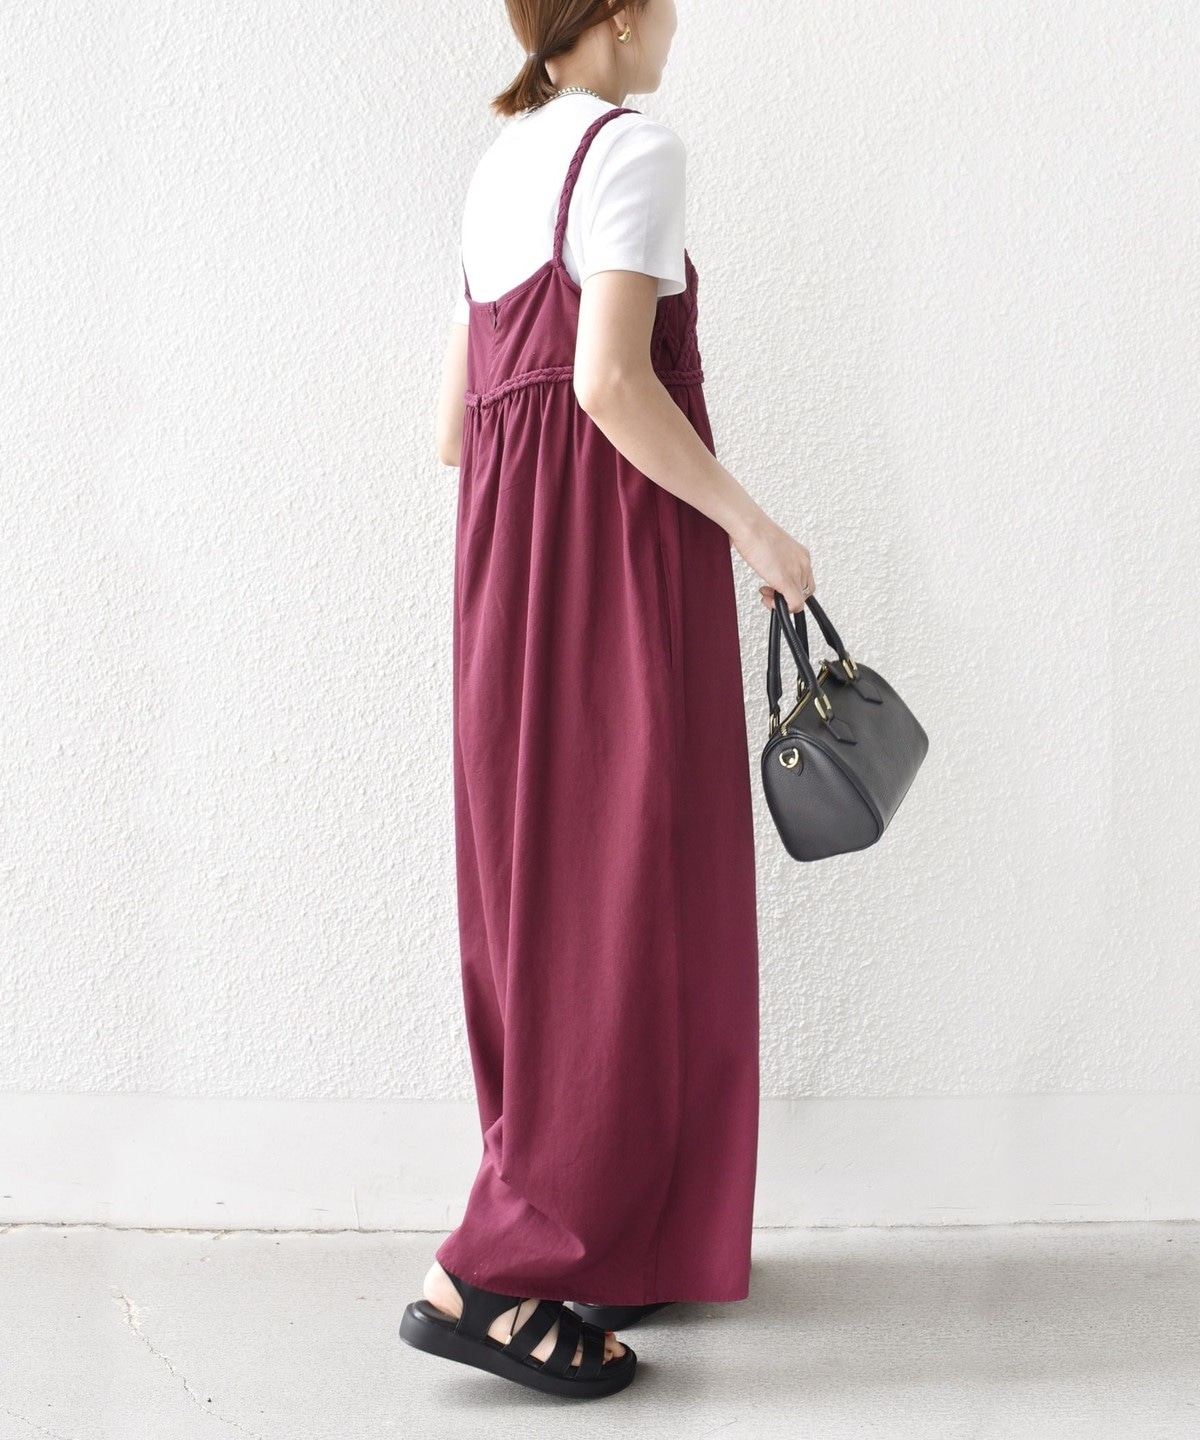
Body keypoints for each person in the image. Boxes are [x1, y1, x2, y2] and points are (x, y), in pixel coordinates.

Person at [400, 0, 816, 1400]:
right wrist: (755, 530)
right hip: (615, 559)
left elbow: (455, 429)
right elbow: (609, 382)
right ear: (623, 16)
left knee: (549, 908)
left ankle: (609, 1232)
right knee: (632, 894)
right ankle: (491, 1277)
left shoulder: (499, 165)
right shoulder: (634, 149)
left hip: (503, 572)